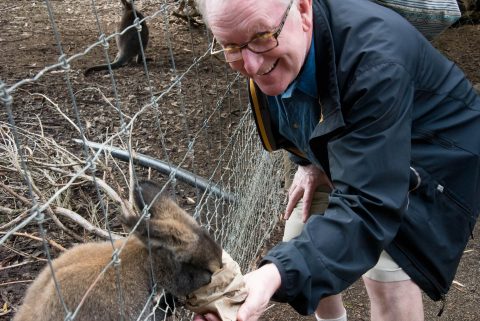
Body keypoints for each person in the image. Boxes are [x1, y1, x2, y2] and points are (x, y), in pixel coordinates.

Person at [193, 0, 480, 320]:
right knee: (299, 233)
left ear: (302, 10)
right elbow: (291, 111)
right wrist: (306, 161)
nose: (249, 65)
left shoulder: (374, 64)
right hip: (359, 141)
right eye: (230, 46)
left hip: (431, 153)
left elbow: (370, 206)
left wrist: (273, 274)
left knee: (385, 276)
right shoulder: (269, 41)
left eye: (262, 37)